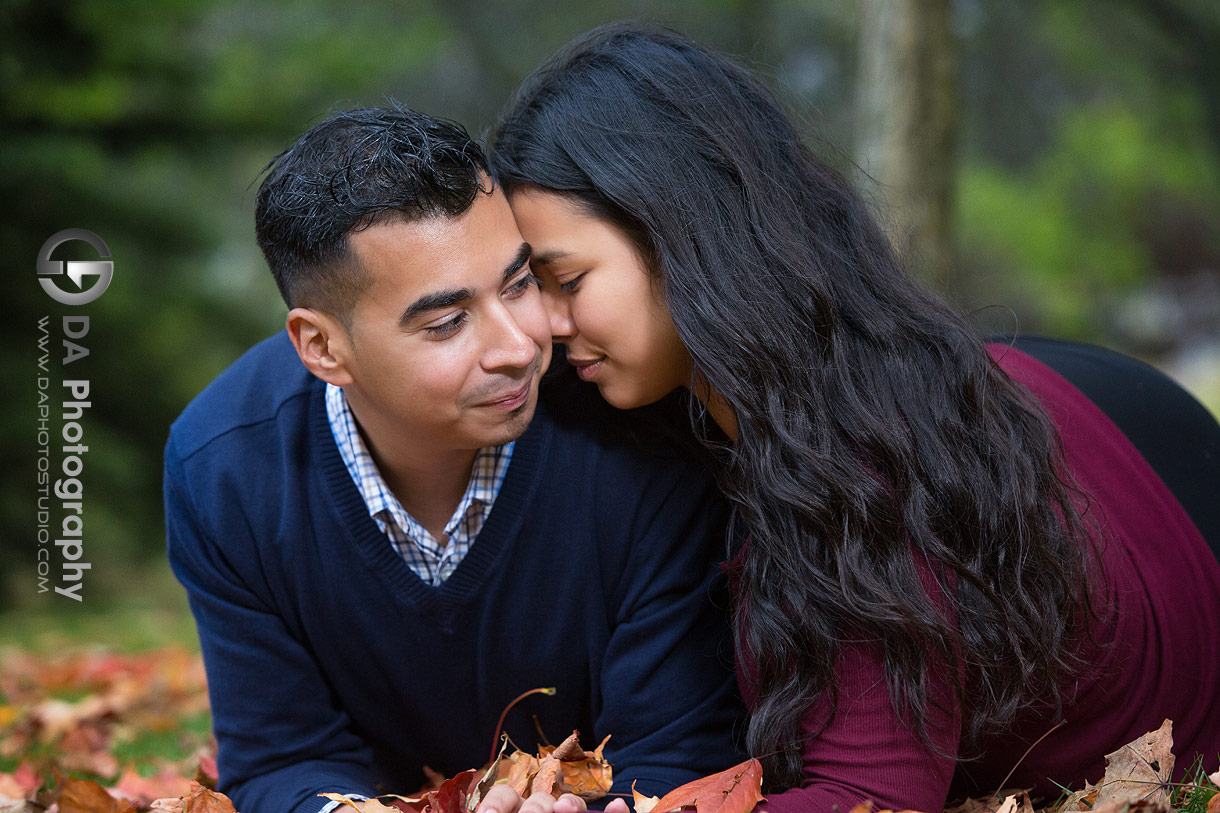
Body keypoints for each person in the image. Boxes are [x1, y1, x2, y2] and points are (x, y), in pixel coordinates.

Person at [489, 22, 1220, 813]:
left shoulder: (871, 461)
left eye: (568, 279)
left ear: (681, 236)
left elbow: (870, 799)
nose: (549, 325)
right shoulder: (882, 370)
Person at [163, 103, 745, 813]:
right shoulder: (225, 468)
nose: (520, 346)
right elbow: (283, 756)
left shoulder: (638, 434)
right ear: (322, 347)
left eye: (519, 283)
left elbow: (678, 750)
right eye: (446, 322)